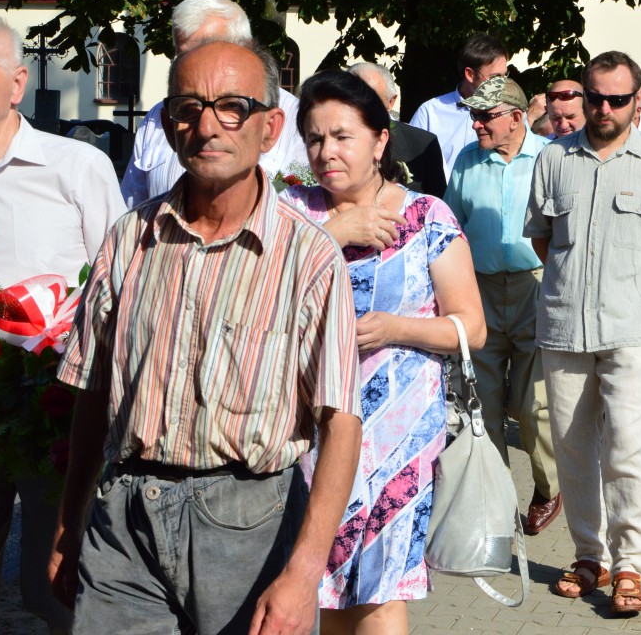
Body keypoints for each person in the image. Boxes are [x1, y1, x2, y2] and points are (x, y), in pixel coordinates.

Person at [48, 41, 363, 635]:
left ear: (270, 129)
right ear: (168, 125)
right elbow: (93, 391)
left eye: (232, 107)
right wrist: (71, 518)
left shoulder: (309, 256)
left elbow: (340, 420)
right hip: (126, 515)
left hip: (251, 525)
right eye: (188, 107)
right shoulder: (128, 240)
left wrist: (303, 574)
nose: (207, 125)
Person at [279, 70, 486, 635]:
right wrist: (336, 230)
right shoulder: (292, 213)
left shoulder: (425, 216)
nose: (326, 152)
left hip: (400, 435)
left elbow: (472, 327)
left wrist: (398, 327)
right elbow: (260, 296)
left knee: (382, 589)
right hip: (311, 432)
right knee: (321, 585)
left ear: (379, 139)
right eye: (315, 138)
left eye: (342, 136)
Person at [525, 50, 641, 615]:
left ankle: (630, 566)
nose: (602, 108)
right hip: (563, 326)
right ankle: (588, 555)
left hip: (630, 328)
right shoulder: (553, 159)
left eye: (616, 100)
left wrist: (632, 281)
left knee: (627, 448)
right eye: (593, 97)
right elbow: (542, 238)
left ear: (637, 101)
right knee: (573, 451)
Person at [0, 14, 125, 635]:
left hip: (52, 409)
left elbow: (121, 286)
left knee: (50, 581)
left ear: (18, 83)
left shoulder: (75, 167)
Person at [444, 75, 562, 535]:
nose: (475, 124)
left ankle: (549, 487)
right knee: (483, 406)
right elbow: (453, 226)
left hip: (537, 288)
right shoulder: (467, 162)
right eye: (472, 115)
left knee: (535, 408)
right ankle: (494, 498)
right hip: (481, 292)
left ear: (516, 118)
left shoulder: (549, 159)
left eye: (485, 115)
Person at [120, 0, 308, 207]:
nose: (197, 64)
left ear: (245, 46)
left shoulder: (295, 118)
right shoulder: (158, 118)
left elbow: (311, 206)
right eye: (184, 55)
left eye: (209, 49)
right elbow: (132, 205)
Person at [409, 33, 509, 177]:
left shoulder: (508, 112)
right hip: (440, 197)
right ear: (470, 74)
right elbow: (411, 167)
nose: (501, 84)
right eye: (495, 77)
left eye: (505, 76)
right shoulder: (430, 112)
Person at [348, 62, 448, 198]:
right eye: (350, 98)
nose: (360, 106)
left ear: (391, 102)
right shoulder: (325, 140)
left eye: (371, 99)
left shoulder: (422, 144)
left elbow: (437, 204)